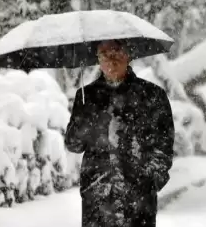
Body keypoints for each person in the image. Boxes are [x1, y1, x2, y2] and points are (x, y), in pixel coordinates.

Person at [65, 40, 175, 227]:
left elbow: (164, 145)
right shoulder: (86, 97)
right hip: (97, 197)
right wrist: (84, 119)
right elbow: (73, 144)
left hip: (138, 201)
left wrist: (149, 180)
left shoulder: (151, 95)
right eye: (104, 54)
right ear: (97, 59)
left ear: (129, 55)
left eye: (117, 53)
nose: (111, 60)